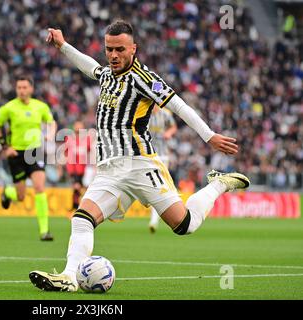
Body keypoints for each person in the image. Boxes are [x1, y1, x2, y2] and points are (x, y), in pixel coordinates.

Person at [29, 21, 250, 291]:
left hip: (140, 165)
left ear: (134, 48)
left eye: (120, 49)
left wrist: (209, 135)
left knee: (184, 225)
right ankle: (69, 277)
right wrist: (63, 46)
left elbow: (178, 106)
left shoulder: (144, 79)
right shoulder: (108, 74)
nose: (113, 55)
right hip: (109, 169)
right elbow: (89, 66)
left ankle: (219, 184)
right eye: (109, 49)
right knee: (81, 218)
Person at [0, 75, 56, 241]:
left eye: (25, 87)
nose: (22, 91)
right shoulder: (8, 108)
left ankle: (44, 231)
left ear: (31, 89)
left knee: (40, 187)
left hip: (34, 151)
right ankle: (8, 193)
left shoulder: (40, 107)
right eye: (19, 88)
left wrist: (51, 134)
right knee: (21, 196)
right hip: (16, 154)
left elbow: (51, 122)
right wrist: (5, 147)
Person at [147, 105, 177, 233]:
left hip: (163, 155)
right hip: (147, 155)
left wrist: (168, 133)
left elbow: (173, 127)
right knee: (153, 186)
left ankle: (154, 219)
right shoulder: (144, 112)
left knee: (159, 186)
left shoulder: (165, 114)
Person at [64, 120, 92, 211]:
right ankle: (75, 208)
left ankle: (78, 207)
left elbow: (90, 152)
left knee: (83, 188)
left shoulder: (87, 139)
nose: (78, 128)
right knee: (77, 187)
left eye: (80, 126)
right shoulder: (69, 138)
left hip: (84, 168)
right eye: (76, 126)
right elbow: (65, 152)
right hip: (73, 168)